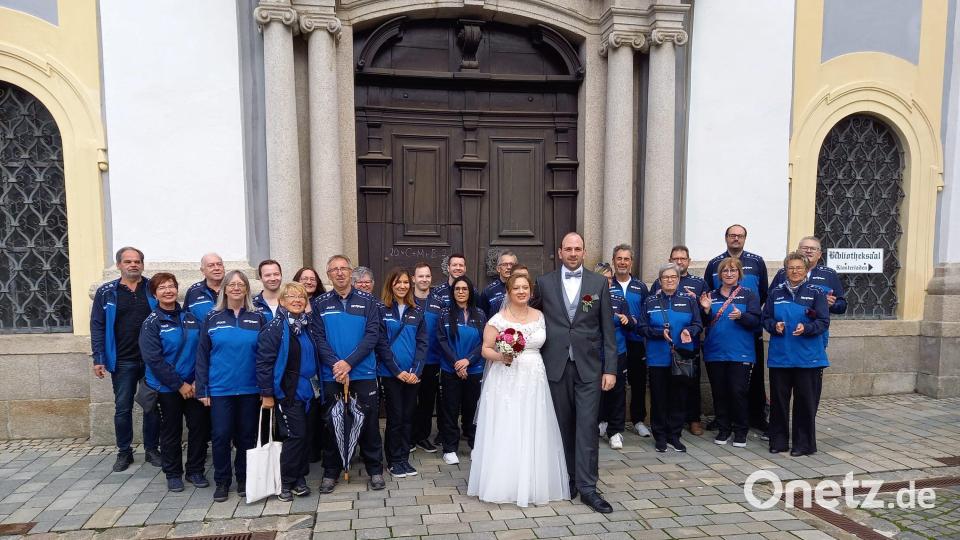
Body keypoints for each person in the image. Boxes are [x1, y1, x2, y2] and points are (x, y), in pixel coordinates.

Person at [534, 232, 617, 514]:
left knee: (587, 428)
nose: (572, 253)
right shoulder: (543, 283)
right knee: (561, 427)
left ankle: (588, 488)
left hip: (589, 368)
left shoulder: (598, 283)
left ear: (584, 251)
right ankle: (566, 479)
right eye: (567, 249)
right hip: (555, 366)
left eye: (577, 248)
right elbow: (531, 318)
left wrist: (611, 369)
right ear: (559, 252)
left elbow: (608, 329)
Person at [469, 272, 569, 506]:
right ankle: (505, 482)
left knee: (532, 425)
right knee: (509, 425)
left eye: (526, 287)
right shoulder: (498, 320)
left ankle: (534, 482)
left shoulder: (541, 317)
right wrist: (502, 356)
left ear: (531, 292)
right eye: (517, 288)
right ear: (509, 292)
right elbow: (485, 349)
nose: (522, 291)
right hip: (506, 378)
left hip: (534, 376)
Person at [313, 255, 386, 493]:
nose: (340, 273)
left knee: (369, 424)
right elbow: (319, 339)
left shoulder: (368, 302)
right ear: (328, 274)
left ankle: (375, 469)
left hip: (362, 372)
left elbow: (372, 336)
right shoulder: (320, 303)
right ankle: (331, 471)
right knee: (333, 424)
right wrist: (337, 364)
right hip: (332, 374)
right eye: (334, 269)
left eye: (343, 268)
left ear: (351, 272)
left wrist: (349, 363)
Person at [195, 270, 266, 502]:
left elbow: (265, 355)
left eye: (241, 284)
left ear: (246, 289)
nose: (236, 288)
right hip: (220, 389)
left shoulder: (258, 318)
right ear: (224, 289)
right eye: (231, 284)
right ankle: (223, 481)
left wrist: (265, 388)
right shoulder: (212, 317)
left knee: (246, 437)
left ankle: (244, 480)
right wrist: (203, 389)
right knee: (221, 436)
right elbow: (202, 355)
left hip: (250, 389)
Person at [90, 246, 161, 472]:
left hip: (150, 360)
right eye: (128, 261)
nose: (133, 265)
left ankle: (152, 449)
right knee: (122, 408)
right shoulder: (107, 292)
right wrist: (98, 357)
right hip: (122, 360)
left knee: (151, 407)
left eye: (137, 261)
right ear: (119, 264)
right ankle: (124, 451)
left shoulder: (152, 288)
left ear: (142, 264)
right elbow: (98, 326)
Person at [139, 273, 210, 492]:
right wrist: (179, 385)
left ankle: (195, 470)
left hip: (194, 385)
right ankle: (173, 473)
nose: (168, 291)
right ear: (155, 293)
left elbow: (203, 350)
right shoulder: (152, 322)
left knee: (199, 428)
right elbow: (153, 359)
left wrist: (199, 379)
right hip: (168, 388)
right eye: (162, 288)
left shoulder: (190, 318)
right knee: (171, 431)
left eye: (171, 286)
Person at [256, 282, 322, 501]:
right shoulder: (275, 328)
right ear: (282, 301)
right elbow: (264, 363)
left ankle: (299, 478)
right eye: (291, 296)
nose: (297, 300)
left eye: (301, 297)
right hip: (288, 392)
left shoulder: (307, 325)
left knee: (306, 437)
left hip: (309, 392)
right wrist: (267, 393)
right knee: (296, 435)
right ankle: (285, 481)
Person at [703, 225, 769, 435]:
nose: (736, 239)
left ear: (745, 239)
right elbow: (707, 294)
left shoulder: (757, 261)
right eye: (732, 235)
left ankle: (755, 417)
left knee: (748, 381)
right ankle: (724, 421)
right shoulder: (715, 263)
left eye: (740, 236)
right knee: (721, 385)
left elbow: (764, 293)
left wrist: (747, 316)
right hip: (718, 339)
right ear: (726, 238)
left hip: (747, 332)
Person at [763, 252, 830, 457]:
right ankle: (779, 441)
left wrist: (807, 328)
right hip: (781, 357)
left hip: (807, 358)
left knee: (804, 402)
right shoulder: (776, 293)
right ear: (785, 270)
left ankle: (804, 444)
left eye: (799, 268)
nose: (794, 271)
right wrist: (775, 325)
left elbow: (823, 322)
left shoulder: (816, 292)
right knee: (779, 402)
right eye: (790, 268)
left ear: (806, 270)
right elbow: (765, 319)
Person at [639, 263, 703, 454]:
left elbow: (698, 324)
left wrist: (688, 331)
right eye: (665, 277)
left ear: (678, 280)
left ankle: (674, 435)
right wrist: (659, 333)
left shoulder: (689, 301)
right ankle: (660, 436)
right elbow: (641, 327)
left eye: (673, 277)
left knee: (679, 397)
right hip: (657, 358)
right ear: (659, 280)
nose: (669, 280)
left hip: (682, 357)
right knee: (658, 398)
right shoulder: (650, 301)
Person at [698, 258, 761, 448]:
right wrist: (706, 310)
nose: (729, 273)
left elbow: (756, 321)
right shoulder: (710, 295)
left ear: (739, 273)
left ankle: (740, 430)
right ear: (719, 274)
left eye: (733, 270)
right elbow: (701, 322)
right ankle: (723, 428)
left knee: (738, 392)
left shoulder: (748, 295)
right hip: (715, 351)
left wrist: (742, 316)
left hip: (740, 352)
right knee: (719, 392)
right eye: (725, 271)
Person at [651, 246, 708, 435]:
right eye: (675, 258)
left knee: (689, 384)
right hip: (661, 351)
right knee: (664, 389)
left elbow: (704, 317)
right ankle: (664, 426)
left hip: (687, 347)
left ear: (689, 261)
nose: (679, 261)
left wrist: (701, 313)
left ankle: (693, 419)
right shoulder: (656, 288)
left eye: (683, 258)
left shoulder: (699, 283)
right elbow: (649, 314)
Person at [378, 268, 427, 478]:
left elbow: (422, 344)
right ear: (391, 284)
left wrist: (415, 371)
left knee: (408, 417)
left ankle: (404, 458)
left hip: (412, 375)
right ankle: (393, 460)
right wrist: (397, 371)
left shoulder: (416, 311)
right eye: (398, 282)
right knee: (395, 417)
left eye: (406, 282)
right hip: (391, 375)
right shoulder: (381, 310)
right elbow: (381, 344)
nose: (402, 286)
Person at [436, 275, 486, 465]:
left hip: (474, 370)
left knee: (472, 410)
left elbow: (484, 342)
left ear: (470, 291)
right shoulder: (444, 314)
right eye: (457, 289)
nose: (461, 292)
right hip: (450, 369)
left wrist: (468, 361)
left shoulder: (480, 314)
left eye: (465, 289)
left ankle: (475, 445)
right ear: (453, 292)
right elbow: (442, 340)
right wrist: (457, 362)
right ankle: (449, 448)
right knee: (450, 409)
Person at [609, 244, 651, 438]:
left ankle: (638, 420)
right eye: (619, 259)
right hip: (614, 344)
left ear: (631, 263)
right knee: (612, 382)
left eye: (626, 259)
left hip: (635, 341)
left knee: (638, 382)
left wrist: (636, 323)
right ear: (614, 261)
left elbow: (646, 313)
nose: (623, 262)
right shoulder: (606, 284)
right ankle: (607, 420)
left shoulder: (640, 286)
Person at [770, 236, 847, 343]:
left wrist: (832, 305)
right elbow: (770, 302)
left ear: (819, 254)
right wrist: (774, 325)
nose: (808, 251)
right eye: (805, 248)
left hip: (816, 334)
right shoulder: (783, 273)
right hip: (786, 332)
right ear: (797, 251)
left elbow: (842, 306)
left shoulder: (829, 274)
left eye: (813, 248)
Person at [595, 263, 634, 450]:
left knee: (617, 391)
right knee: (596, 391)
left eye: (609, 278)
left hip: (617, 351)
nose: (607, 281)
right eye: (603, 278)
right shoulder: (588, 298)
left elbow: (631, 324)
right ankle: (599, 423)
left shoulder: (619, 298)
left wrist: (626, 320)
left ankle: (615, 430)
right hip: (594, 353)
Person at [411, 262, 444, 453]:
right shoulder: (406, 300)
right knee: (408, 402)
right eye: (420, 276)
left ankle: (422, 437)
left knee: (426, 401)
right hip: (410, 362)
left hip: (432, 361)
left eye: (427, 276)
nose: (424, 279)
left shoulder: (439, 302)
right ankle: (407, 438)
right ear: (414, 279)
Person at [185, 253, 225, 321]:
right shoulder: (194, 292)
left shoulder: (234, 289)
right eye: (211, 265)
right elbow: (187, 319)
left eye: (219, 264)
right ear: (202, 270)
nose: (216, 268)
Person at [478, 250, 518, 317]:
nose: (508, 267)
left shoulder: (522, 289)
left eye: (511, 264)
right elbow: (482, 316)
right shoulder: (488, 291)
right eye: (504, 264)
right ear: (498, 269)